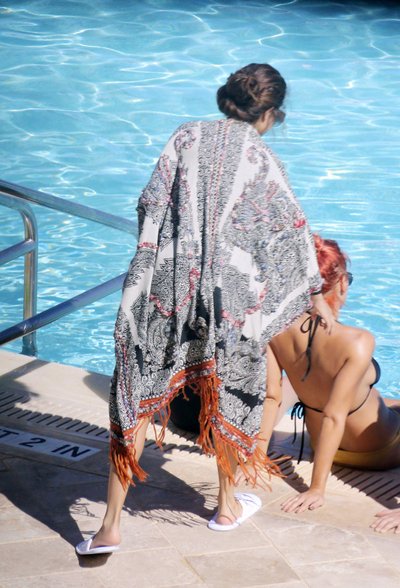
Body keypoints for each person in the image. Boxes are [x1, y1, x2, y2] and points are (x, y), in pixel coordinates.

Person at [76, 63, 335, 554]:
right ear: (271, 114)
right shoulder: (261, 158)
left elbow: (150, 202)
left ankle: (109, 527)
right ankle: (226, 507)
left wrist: (163, 252)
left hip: (166, 287)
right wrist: (315, 294)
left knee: (136, 395)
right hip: (227, 300)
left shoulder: (185, 136)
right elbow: (290, 232)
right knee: (228, 391)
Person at [240, 234, 400, 514]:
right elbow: (334, 416)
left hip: (321, 445)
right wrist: (316, 489)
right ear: (341, 282)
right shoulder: (358, 341)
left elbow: (271, 397)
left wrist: (256, 459)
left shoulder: (274, 327)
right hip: (380, 450)